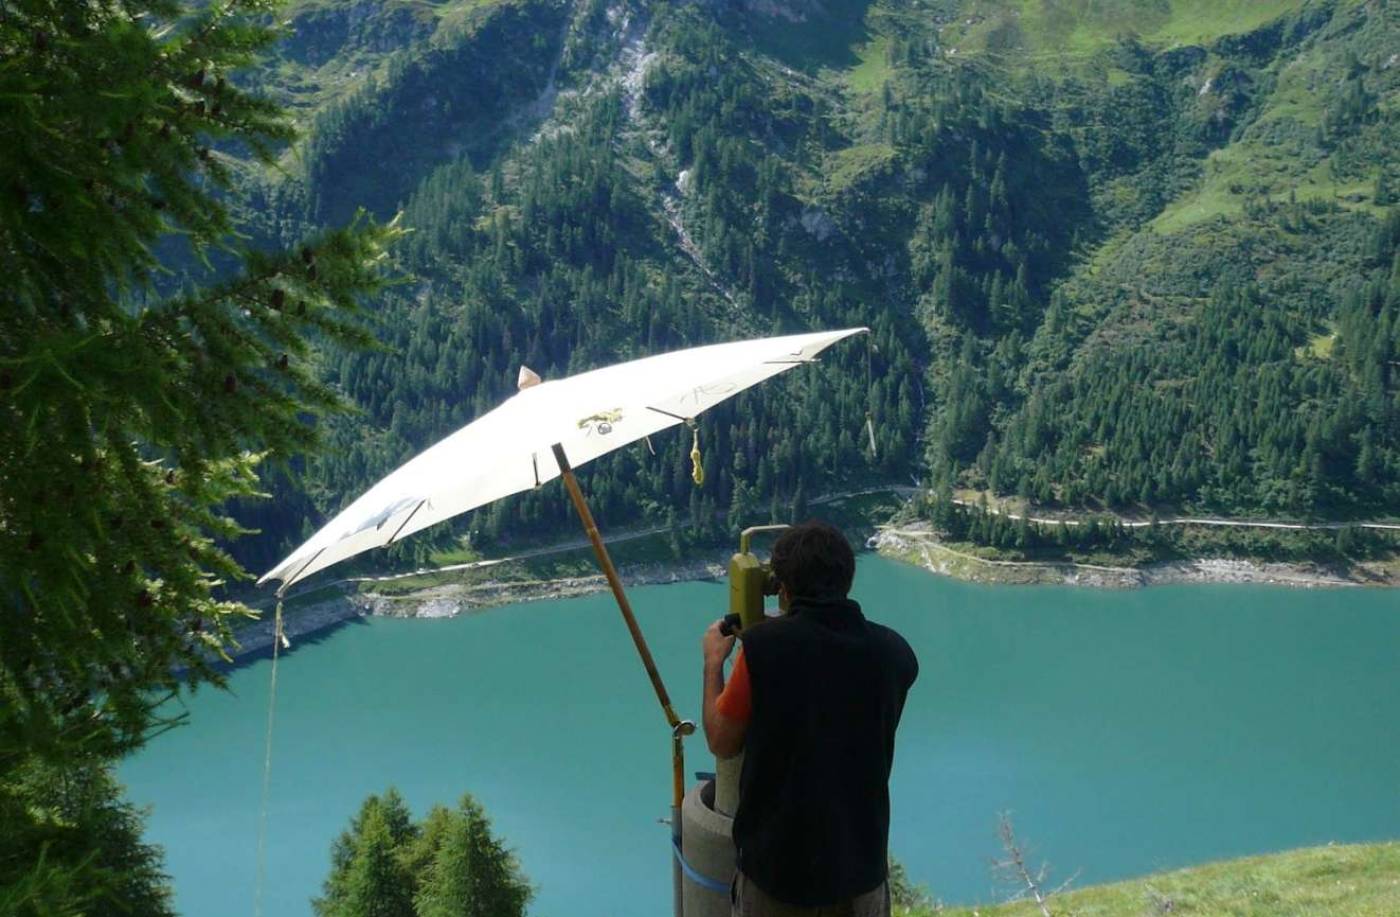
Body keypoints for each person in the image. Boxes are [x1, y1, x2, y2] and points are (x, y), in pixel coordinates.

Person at [701, 520, 919, 917]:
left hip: (779, 875)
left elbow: (721, 740)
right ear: (847, 580)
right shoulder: (895, 654)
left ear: (781, 588)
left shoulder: (764, 652)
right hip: (861, 873)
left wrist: (714, 662)